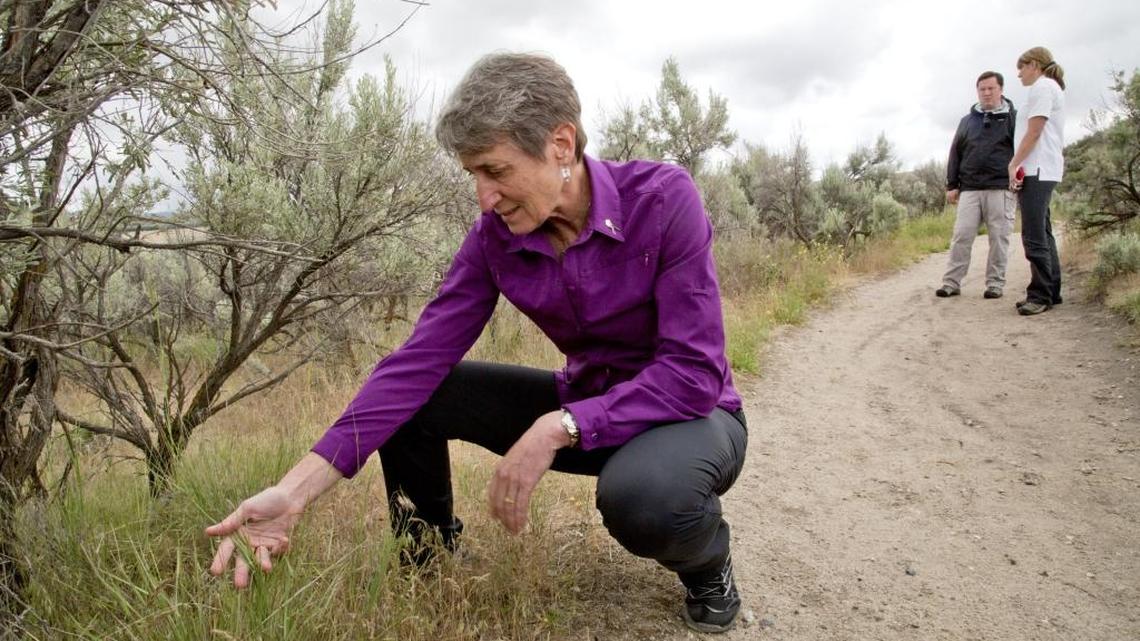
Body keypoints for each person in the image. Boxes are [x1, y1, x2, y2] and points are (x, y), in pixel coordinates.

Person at [204, 53, 749, 634]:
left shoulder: (662, 199)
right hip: (586, 406)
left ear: (560, 144)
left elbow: (692, 375)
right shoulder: (496, 238)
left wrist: (557, 427)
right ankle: (428, 557)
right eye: (474, 176)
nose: (485, 197)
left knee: (644, 498)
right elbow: (415, 364)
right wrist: (294, 492)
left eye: (496, 171)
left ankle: (706, 563)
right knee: (422, 394)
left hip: (691, 419)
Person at [936, 71, 1017, 300]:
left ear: (1000, 89)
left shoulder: (1013, 118)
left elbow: (1021, 151)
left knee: (999, 238)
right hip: (970, 188)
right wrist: (952, 184)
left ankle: (995, 284)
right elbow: (956, 152)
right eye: (982, 89)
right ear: (978, 91)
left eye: (991, 88)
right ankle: (951, 282)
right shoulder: (967, 121)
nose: (987, 93)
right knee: (961, 236)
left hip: (1001, 187)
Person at [1008, 47, 1066, 316]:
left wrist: (1014, 163)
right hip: (1044, 168)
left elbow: (1034, 131)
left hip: (1037, 169)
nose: (1019, 74)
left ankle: (1040, 295)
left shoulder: (1043, 88)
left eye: (1021, 67)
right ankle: (1051, 291)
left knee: (1032, 234)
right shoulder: (1050, 87)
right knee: (1043, 231)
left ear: (1034, 65)